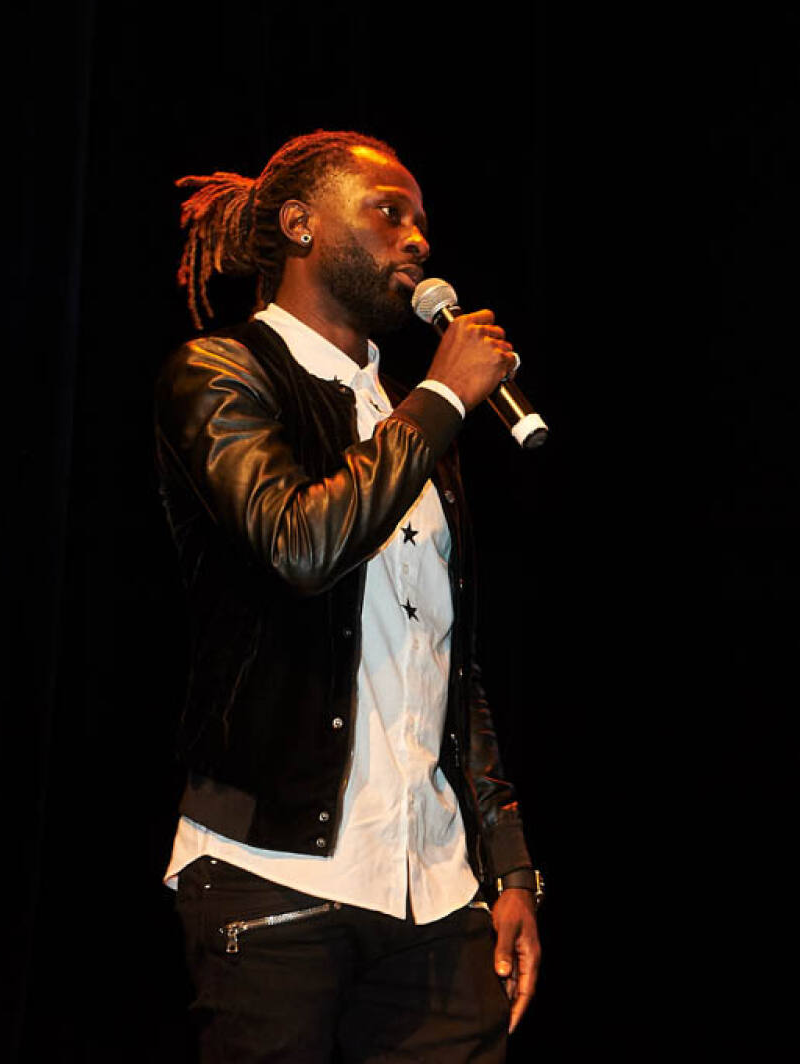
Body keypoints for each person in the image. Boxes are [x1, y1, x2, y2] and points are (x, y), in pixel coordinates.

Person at [155, 129, 541, 1063]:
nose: (418, 239)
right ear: (300, 225)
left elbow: (450, 662)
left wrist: (510, 863)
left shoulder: (411, 412)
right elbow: (300, 544)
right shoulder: (222, 373)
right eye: (388, 213)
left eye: (423, 221)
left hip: (433, 884)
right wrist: (442, 401)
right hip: (272, 874)